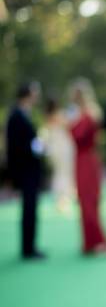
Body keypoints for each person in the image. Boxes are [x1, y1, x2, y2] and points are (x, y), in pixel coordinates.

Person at [69, 79, 106, 255]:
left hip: (87, 160)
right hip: (81, 160)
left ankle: (98, 241)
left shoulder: (88, 115)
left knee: (89, 200)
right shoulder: (82, 114)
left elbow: (79, 136)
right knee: (84, 200)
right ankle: (89, 241)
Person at [6, 82, 47, 259]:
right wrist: (35, 148)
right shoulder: (16, 116)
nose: (37, 96)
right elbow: (15, 146)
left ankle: (30, 246)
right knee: (28, 208)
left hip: (30, 170)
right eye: (35, 92)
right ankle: (28, 249)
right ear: (28, 94)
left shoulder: (24, 114)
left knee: (31, 208)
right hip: (25, 171)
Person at [41, 98, 75, 213]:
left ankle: (62, 199)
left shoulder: (48, 116)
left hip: (55, 148)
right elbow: (69, 127)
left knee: (59, 173)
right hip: (62, 148)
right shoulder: (60, 115)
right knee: (64, 173)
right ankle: (63, 200)